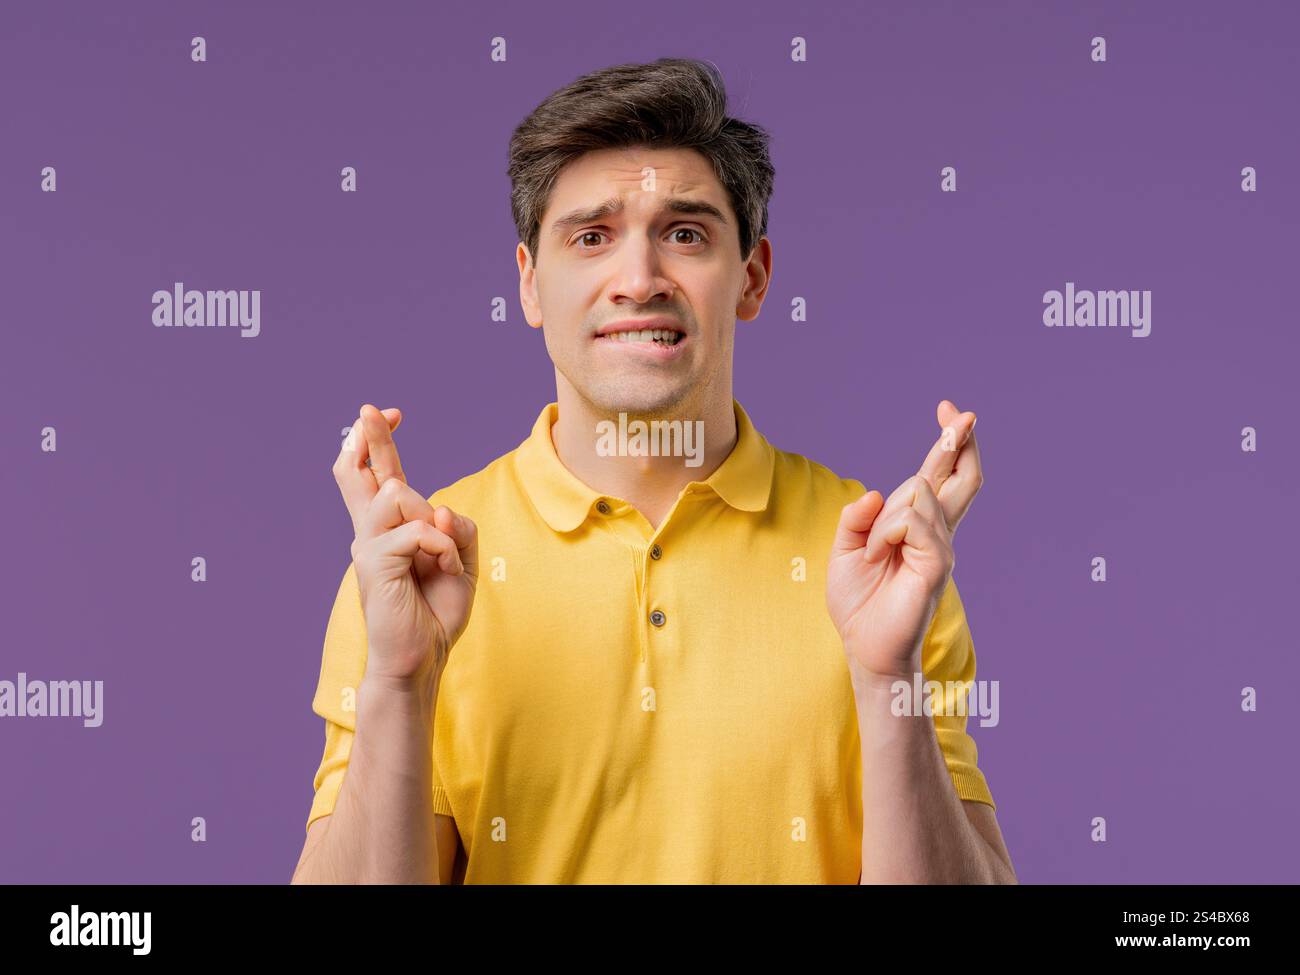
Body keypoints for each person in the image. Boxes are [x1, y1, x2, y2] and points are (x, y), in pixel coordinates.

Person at [291, 57, 1015, 884]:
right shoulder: (419, 565)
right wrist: (399, 682)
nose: (638, 281)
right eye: (591, 237)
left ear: (752, 278)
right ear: (530, 284)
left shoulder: (881, 565)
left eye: (685, 234)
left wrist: (888, 681)